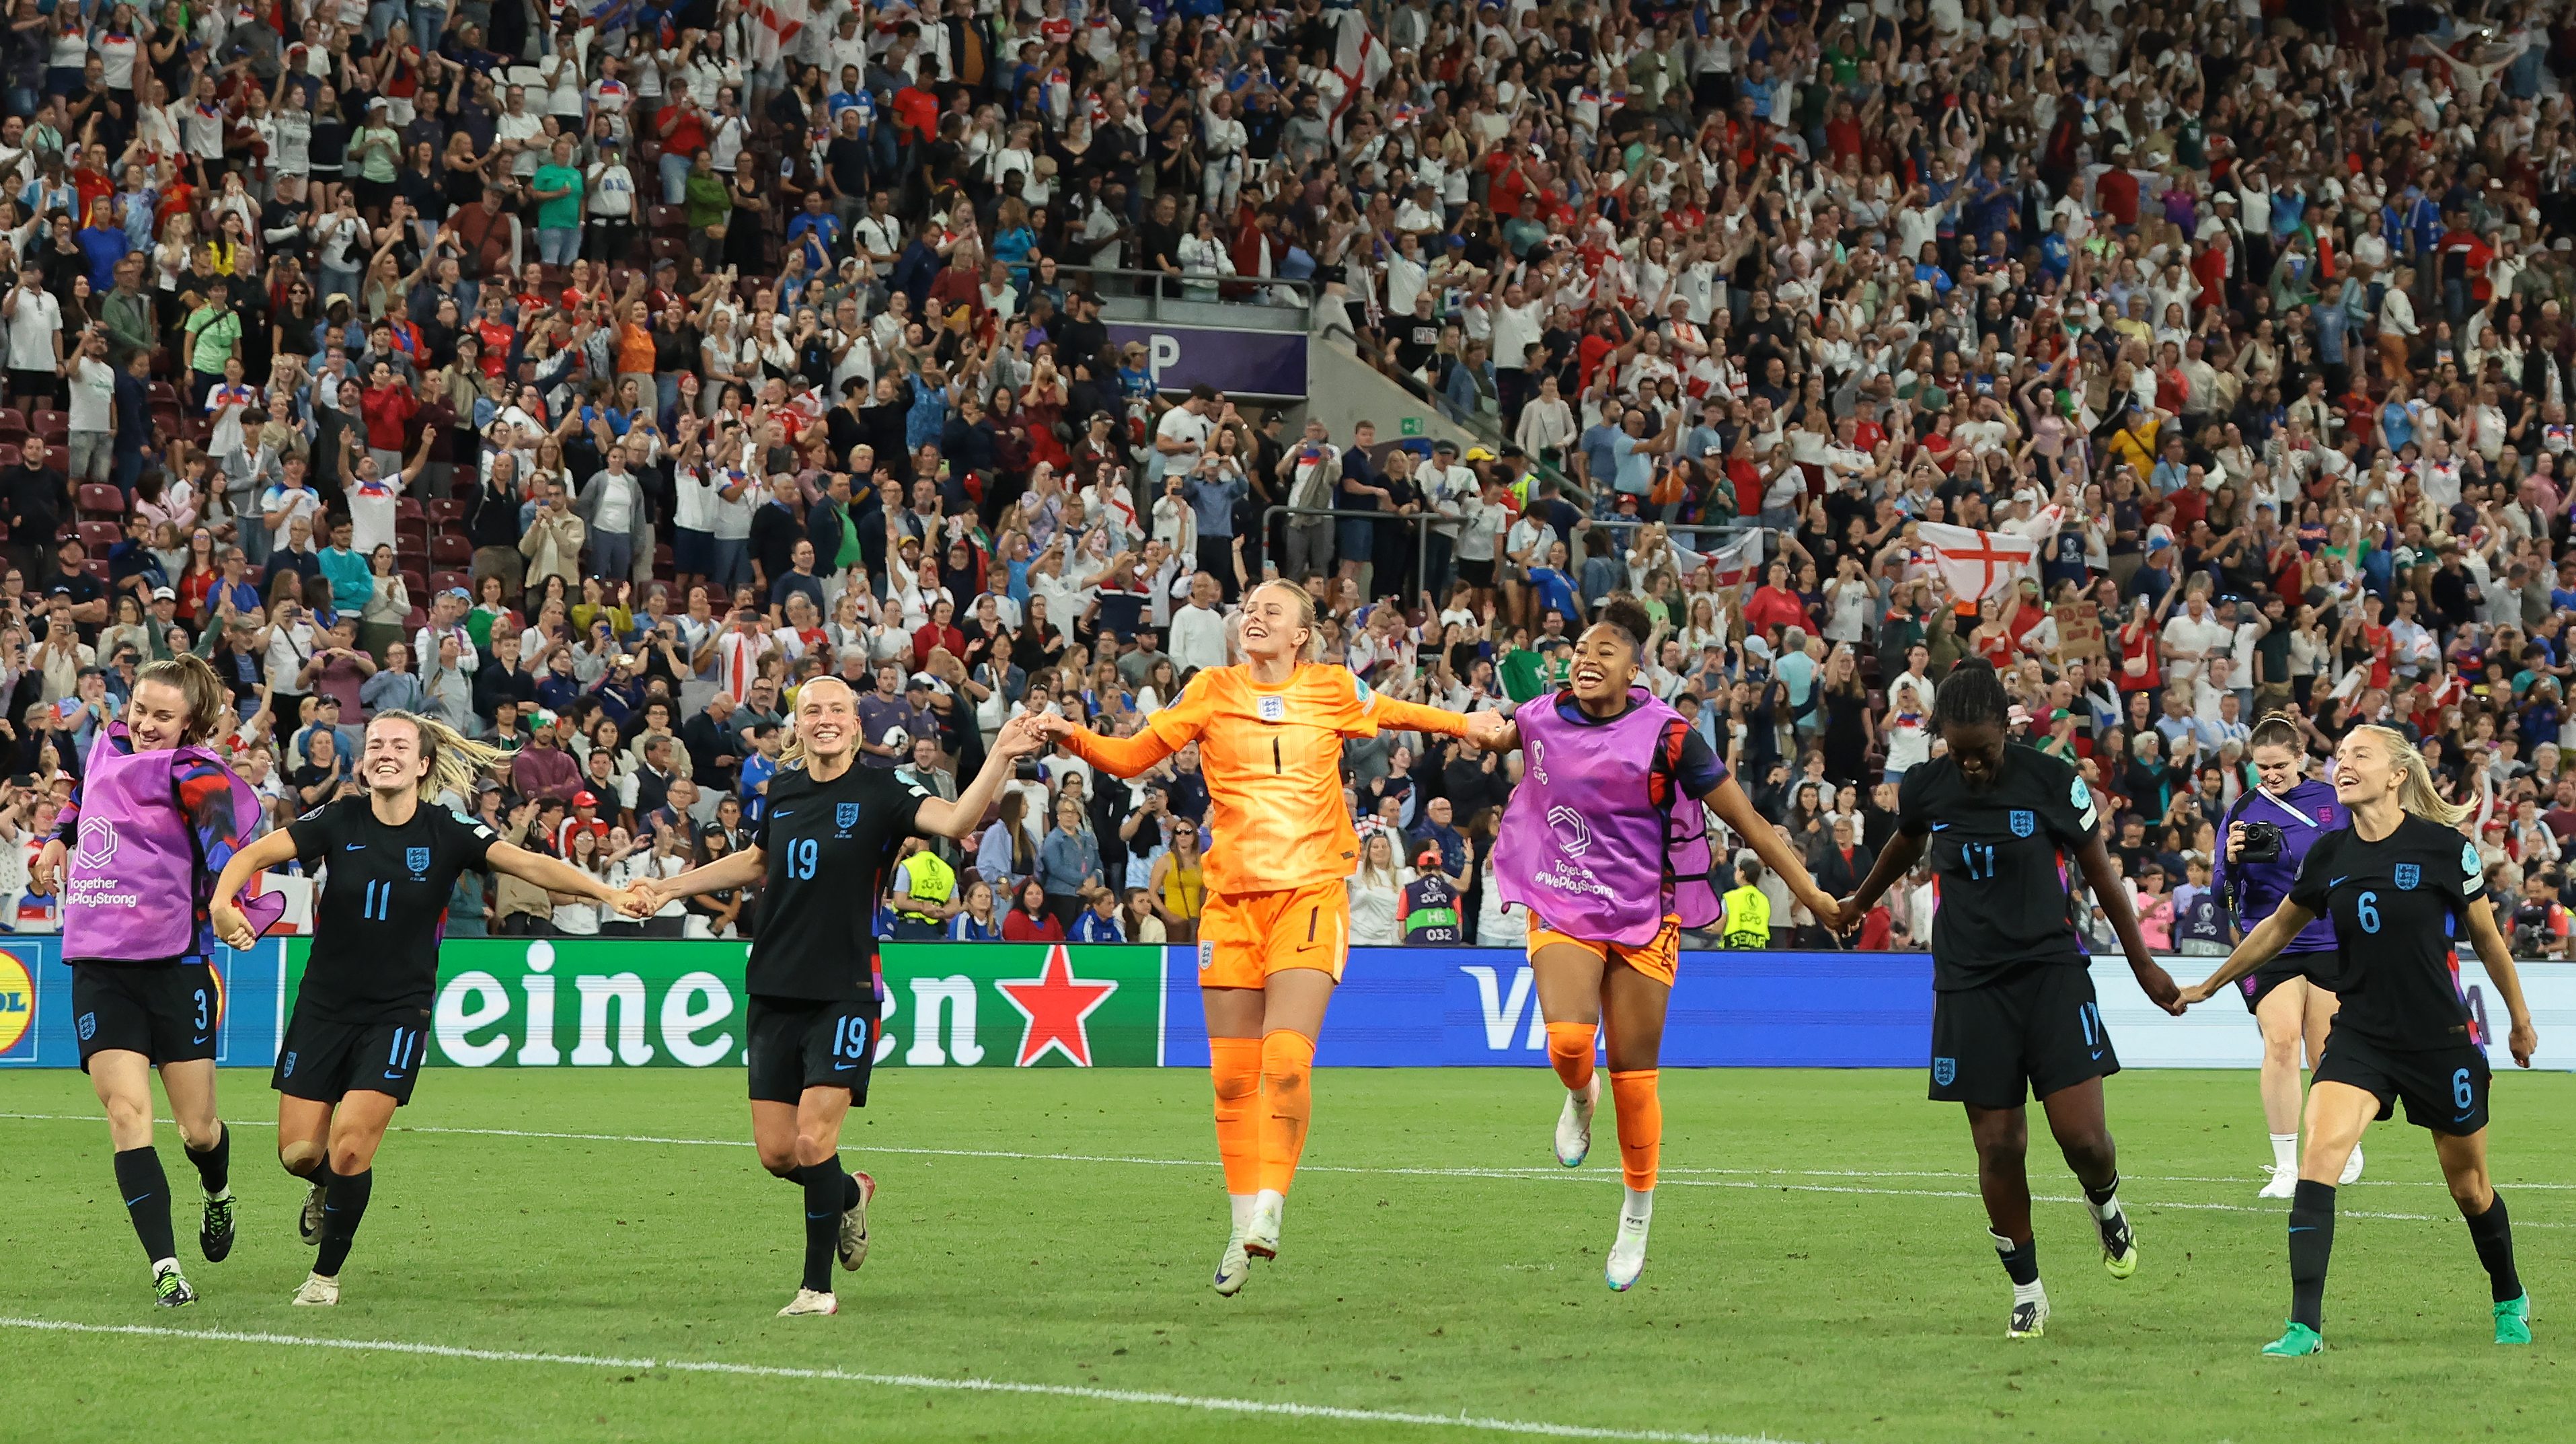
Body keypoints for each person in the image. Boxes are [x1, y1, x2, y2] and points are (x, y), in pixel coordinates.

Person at [1032, 579, 1507, 1295]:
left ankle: (1271, 1207)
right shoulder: (1209, 690)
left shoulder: (1329, 688)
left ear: (1300, 634)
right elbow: (1130, 757)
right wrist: (1066, 733)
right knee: (1230, 1078)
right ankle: (1237, 1221)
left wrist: (1467, 725)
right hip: (1230, 904)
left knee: (1284, 1060)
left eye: (1270, 611)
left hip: (1310, 896)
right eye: (1246, 608)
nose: (1252, 616)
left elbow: (1397, 709)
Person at [207, 712, 652, 1305]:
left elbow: (532, 866)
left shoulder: (449, 830)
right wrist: (221, 903)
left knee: (349, 1147)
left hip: (398, 1011)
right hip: (324, 1005)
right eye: (374, 746)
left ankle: (325, 1275)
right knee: (300, 1153)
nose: (383, 753)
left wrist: (610, 893)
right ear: (364, 763)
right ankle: (326, 1188)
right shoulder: (339, 818)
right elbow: (252, 856)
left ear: (421, 764)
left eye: (398, 745)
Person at [640, 682, 1046, 1316]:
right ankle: (850, 1195)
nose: (824, 721)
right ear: (797, 727)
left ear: (856, 725)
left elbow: (956, 820)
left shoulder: (883, 790)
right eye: (812, 712)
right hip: (773, 987)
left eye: (836, 711)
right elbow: (755, 862)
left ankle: (816, 1288)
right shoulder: (781, 789)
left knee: (812, 1141)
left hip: (846, 990)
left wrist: (1001, 755)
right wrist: (670, 888)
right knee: (778, 1154)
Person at [1488, 597, 1840, 1289]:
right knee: (1566, 1040)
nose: (1586, 659)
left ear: (1634, 667)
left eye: (1605, 651)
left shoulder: (1669, 735)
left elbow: (1753, 824)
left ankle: (1635, 1210)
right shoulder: (1537, 715)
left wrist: (1813, 895)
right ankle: (1577, 1093)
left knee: (1635, 1076)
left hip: (1646, 911)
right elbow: (1487, 734)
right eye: (1580, 649)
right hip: (1561, 895)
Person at [1833, 658, 2182, 1339]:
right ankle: (2026, 1288)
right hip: (1968, 984)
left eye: (1980, 752)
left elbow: (2101, 875)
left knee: (2082, 1137)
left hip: (2049, 974)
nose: (1967, 765)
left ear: (2005, 728)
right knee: (1998, 1145)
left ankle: (2104, 1200)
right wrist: (1856, 902)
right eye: (1955, 752)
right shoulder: (1927, 787)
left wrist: (2141, 962)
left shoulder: (2051, 781)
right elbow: (1902, 848)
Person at [2179, 725, 2538, 1357]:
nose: (2342, 764)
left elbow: (2488, 940)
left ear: (2397, 773)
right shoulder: (2329, 854)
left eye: (2359, 755)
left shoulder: (2445, 849)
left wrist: (2520, 1017)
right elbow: (2274, 931)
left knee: (2469, 1188)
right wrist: (2211, 983)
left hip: (2439, 1040)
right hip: (2362, 1034)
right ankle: (2303, 1326)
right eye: (2339, 756)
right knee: (2319, 1162)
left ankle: (2508, 1295)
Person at [33, 654, 262, 1306]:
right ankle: (166, 1266)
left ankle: (217, 1191)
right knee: (127, 1111)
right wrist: (57, 837)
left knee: (199, 1129)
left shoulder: (195, 772)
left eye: (163, 715)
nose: (145, 724)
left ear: (191, 722)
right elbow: (83, 792)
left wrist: (227, 901)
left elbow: (225, 845)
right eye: (140, 709)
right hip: (101, 963)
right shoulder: (107, 743)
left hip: (175, 962)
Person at [2211, 714, 2361, 1198]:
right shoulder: (2242, 807)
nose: (2270, 775)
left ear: (2301, 757)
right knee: (2280, 1041)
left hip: (2327, 938)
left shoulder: (2332, 802)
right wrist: (2232, 862)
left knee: (2324, 1051)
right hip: (2269, 940)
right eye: (2262, 767)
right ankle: (2285, 1167)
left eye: (2278, 765)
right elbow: (2219, 893)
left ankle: (2340, 1140)